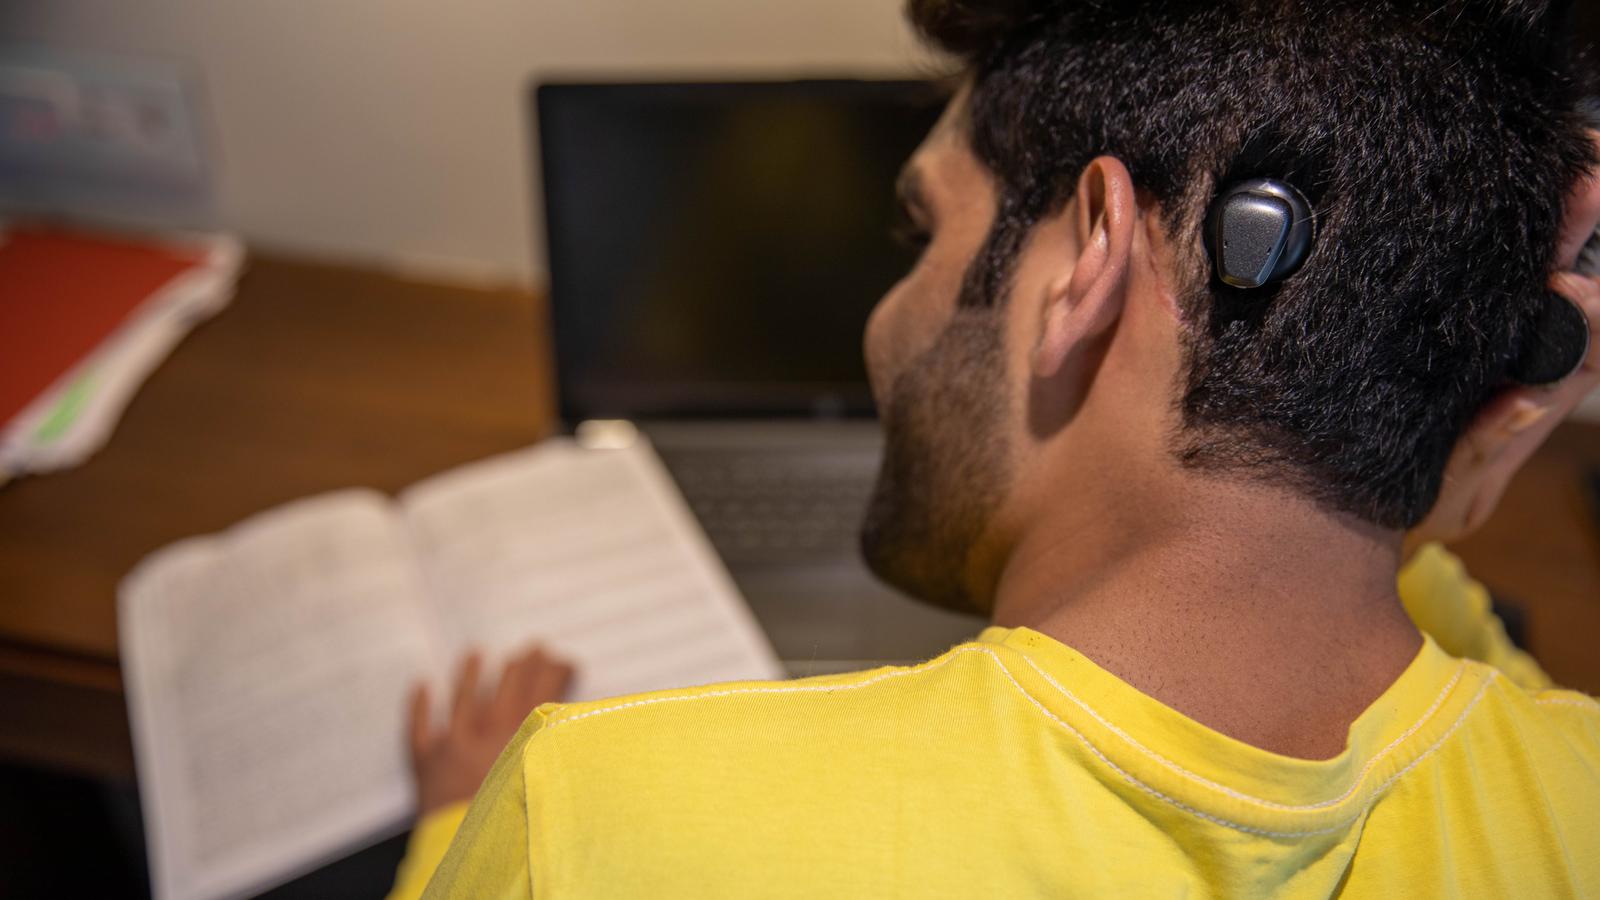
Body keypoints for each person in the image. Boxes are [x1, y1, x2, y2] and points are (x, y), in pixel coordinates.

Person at [390, 0, 1600, 895]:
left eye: (921, 229)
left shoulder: (603, 821)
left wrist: (459, 824)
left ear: (1087, 263)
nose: (887, 316)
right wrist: (1393, 512)